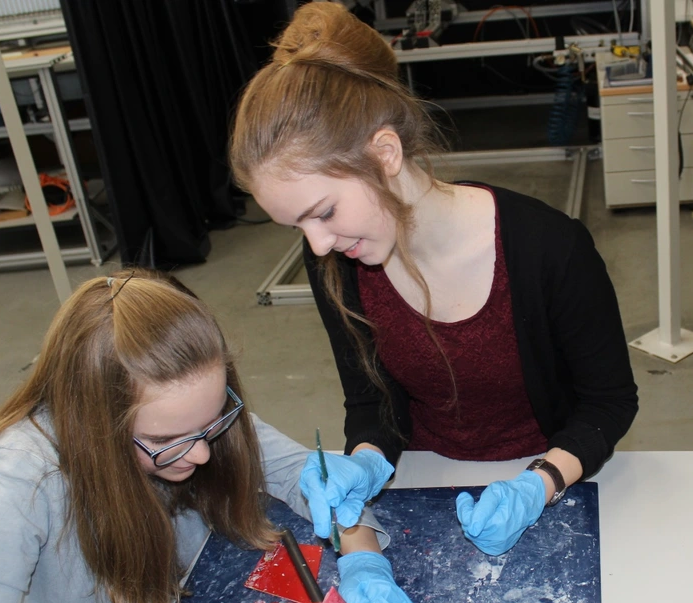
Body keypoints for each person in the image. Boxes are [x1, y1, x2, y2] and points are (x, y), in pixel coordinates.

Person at [230, 3, 638, 558]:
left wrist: (537, 484)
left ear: (385, 153)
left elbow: (607, 404)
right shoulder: (337, 262)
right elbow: (372, 403)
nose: (317, 243)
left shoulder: (549, 248)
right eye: (297, 225)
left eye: (323, 211)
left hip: (550, 475)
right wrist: (369, 458)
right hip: (422, 480)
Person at [0, 270, 418, 603]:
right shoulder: (15, 482)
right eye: (169, 440)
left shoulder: (186, 414)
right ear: (98, 424)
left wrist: (364, 559)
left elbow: (313, 479)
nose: (199, 453)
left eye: (211, 421)